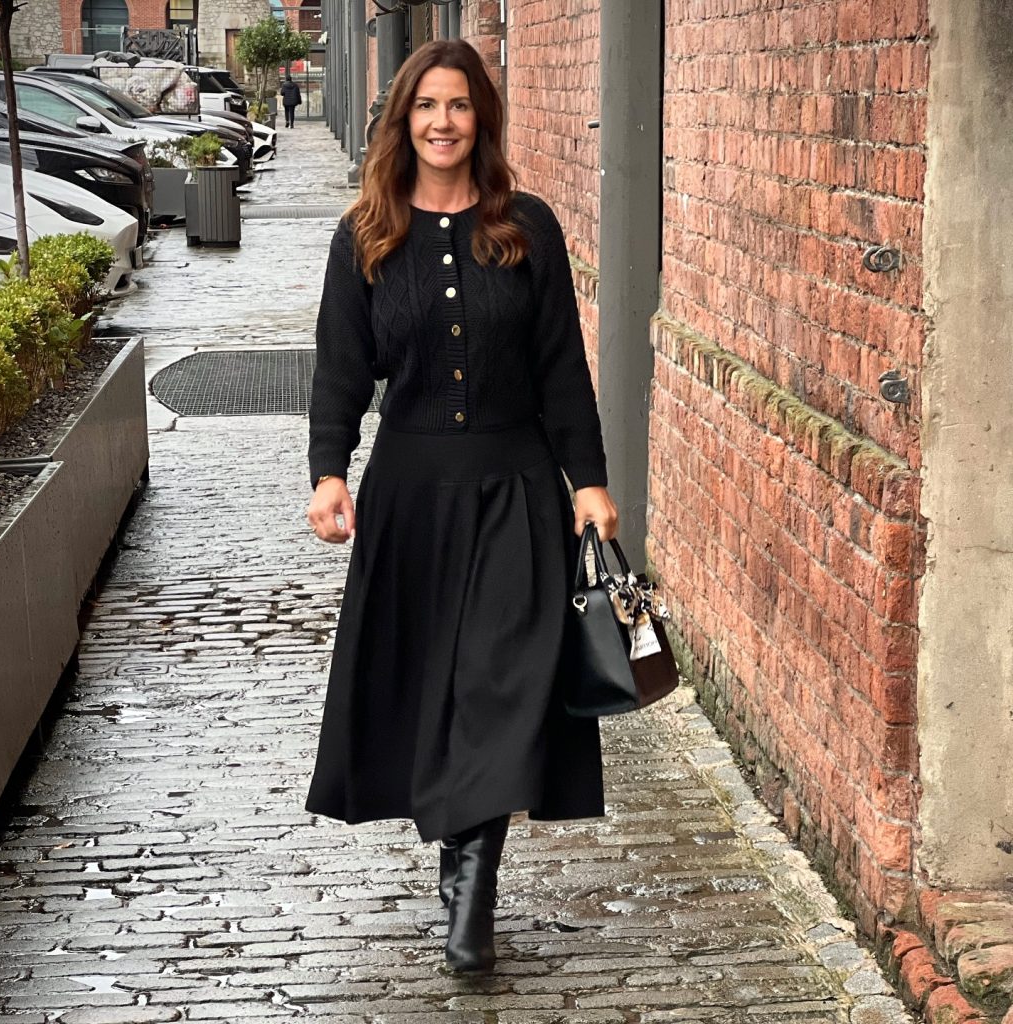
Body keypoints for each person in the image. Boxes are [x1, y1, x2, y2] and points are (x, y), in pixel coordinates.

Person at [305, 38, 618, 974]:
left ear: (483, 118)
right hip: (409, 498)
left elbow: (562, 364)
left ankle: (473, 883)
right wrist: (330, 471)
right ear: (403, 121)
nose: (443, 122)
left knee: (499, 682)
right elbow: (340, 367)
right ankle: (461, 854)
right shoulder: (367, 233)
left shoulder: (526, 227)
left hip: (516, 489)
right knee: (431, 689)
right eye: (426, 107)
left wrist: (589, 482)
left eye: (460, 106)